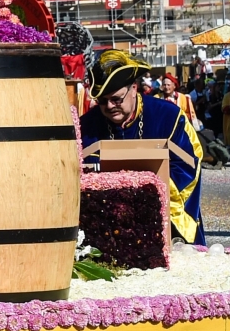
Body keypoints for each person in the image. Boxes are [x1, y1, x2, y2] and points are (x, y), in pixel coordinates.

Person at [79, 50, 205, 244]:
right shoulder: (86, 126)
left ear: (134, 88)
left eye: (116, 99)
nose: (110, 106)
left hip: (164, 223)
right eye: (102, 101)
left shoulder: (168, 117)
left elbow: (190, 163)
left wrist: (144, 194)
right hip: (105, 226)